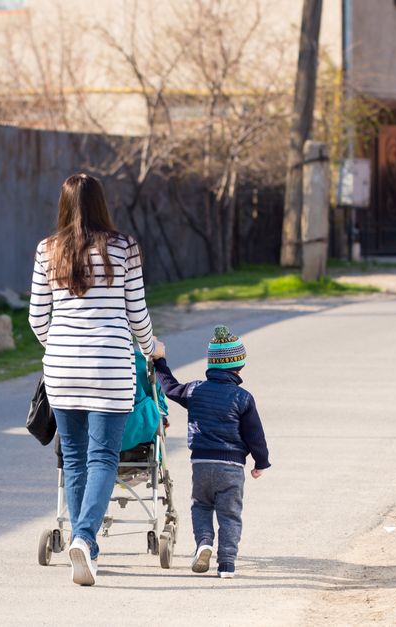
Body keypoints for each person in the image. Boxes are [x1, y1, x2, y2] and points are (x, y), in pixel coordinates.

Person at [28, 173, 157, 587]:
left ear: (63, 205)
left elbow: (36, 319)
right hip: (109, 368)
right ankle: (84, 538)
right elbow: (137, 315)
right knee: (104, 457)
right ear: (102, 203)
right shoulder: (124, 248)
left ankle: (84, 543)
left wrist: (61, 345)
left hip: (62, 370)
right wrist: (152, 346)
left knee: (76, 458)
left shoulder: (47, 250)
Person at [152, 326, 270, 579]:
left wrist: (159, 361)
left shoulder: (195, 390)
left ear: (211, 363)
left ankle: (204, 543)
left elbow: (170, 388)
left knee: (202, 506)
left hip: (202, 464)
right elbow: (254, 435)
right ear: (239, 366)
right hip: (232, 468)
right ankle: (226, 563)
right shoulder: (243, 397)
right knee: (230, 515)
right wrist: (261, 462)